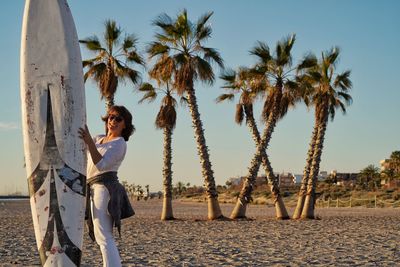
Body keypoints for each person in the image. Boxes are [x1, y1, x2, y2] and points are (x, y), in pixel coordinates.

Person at [78, 105, 135, 267]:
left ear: (125, 124)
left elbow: (102, 165)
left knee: (104, 236)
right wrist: (90, 141)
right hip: (92, 187)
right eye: (111, 117)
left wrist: (89, 142)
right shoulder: (98, 138)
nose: (113, 121)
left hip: (105, 188)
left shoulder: (120, 143)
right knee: (100, 235)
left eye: (118, 118)